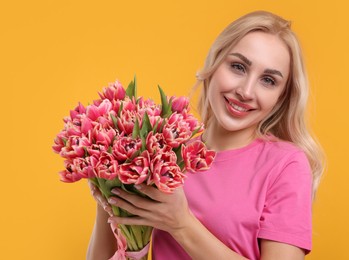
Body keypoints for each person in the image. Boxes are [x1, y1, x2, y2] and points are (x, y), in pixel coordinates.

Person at [87, 10, 324, 260]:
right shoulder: (162, 151)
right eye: (238, 66)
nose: (245, 91)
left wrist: (182, 225)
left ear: (280, 99)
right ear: (214, 63)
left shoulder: (285, 164)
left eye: (268, 80)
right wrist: (109, 183)